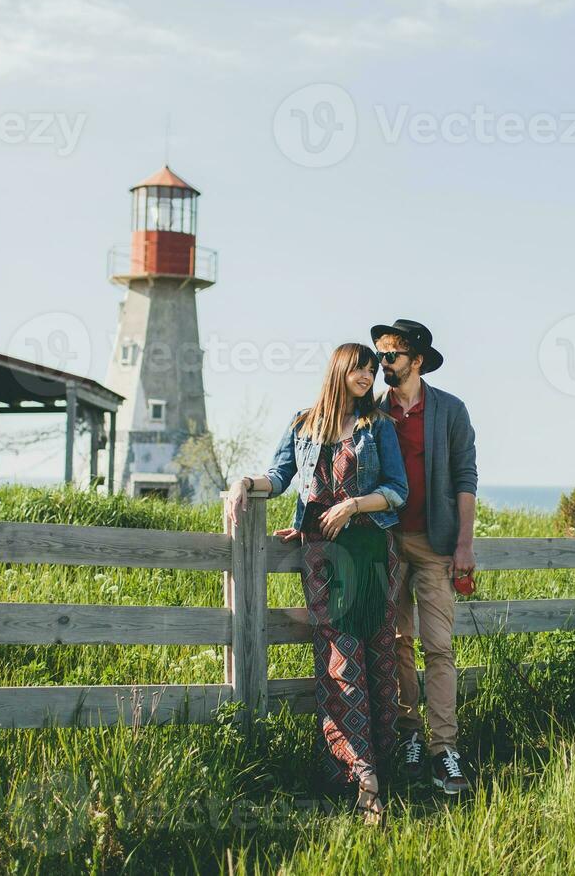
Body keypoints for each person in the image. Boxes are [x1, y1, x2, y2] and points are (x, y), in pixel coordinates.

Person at [223, 343, 408, 825]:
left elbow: (397, 491)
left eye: (373, 369)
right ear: (340, 370)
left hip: (371, 554)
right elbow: (281, 476)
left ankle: (380, 764)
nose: (369, 376)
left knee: (380, 657)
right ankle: (359, 773)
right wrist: (246, 483)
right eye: (361, 368)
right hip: (324, 559)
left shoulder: (378, 427)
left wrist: (352, 505)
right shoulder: (304, 423)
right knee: (340, 659)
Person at [370, 318, 478, 795]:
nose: (382, 364)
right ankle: (410, 736)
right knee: (397, 643)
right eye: (379, 356)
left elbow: (465, 478)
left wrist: (464, 544)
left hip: (436, 545)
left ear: (415, 360)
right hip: (387, 544)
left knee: (439, 646)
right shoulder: (371, 412)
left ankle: (445, 749)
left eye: (390, 355)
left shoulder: (450, 411)